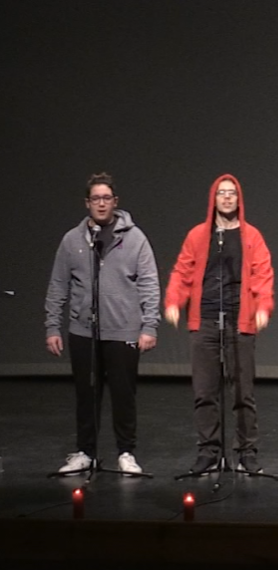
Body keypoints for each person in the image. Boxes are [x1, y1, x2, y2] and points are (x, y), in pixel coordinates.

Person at [45, 172, 159, 475]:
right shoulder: (73, 240)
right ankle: (86, 452)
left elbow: (149, 283)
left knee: (123, 395)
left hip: (123, 330)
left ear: (115, 201)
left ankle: (126, 452)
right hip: (84, 331)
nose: (101, 203)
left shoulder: (135, 239)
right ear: (87, 203)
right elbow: (58, 285)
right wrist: (52, 327)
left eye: (106, 198)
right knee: (86, 395)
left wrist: (149, 326)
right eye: (95, 198)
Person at [165, 174, 275, 475]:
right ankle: (209, 451)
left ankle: (247, 452)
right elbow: (182, 272)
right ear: (213, 199)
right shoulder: (198, 236)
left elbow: (263, 275)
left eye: (232, 193)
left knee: (242, 392)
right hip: (206, 322)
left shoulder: (251, 236)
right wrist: (175, 301)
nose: (227, 198)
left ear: (239, 199)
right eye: (221, 193)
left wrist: (263, 306)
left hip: (239, 322)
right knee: (205, 391)